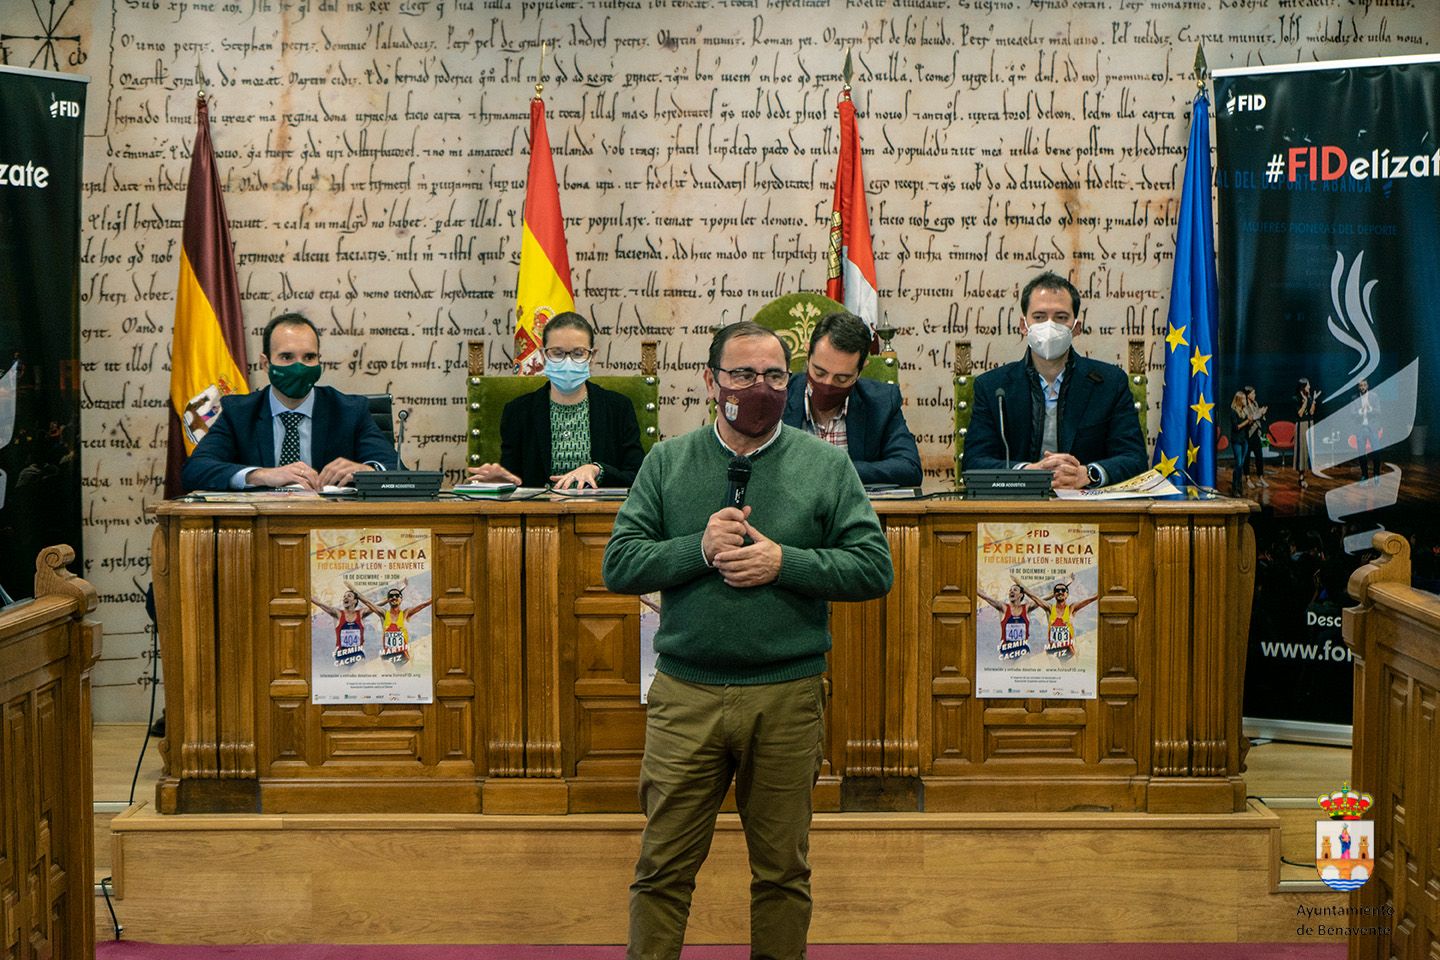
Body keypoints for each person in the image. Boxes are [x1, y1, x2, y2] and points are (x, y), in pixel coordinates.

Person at [602, 321, 894, 960]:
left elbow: (875, 569)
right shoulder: (667, 462)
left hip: (786, 698)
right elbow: (619, 565)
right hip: (686, 695)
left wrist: (784, 563)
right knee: (662, 871)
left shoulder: (825, 465)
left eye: (773, 376)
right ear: (711, 381)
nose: (758, 388)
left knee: (783, 873)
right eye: (742, 375)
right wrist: (697, 549)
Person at [961, 272, 1148, 490]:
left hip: (1089, 509)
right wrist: (1027, 473)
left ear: (1076, 328)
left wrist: (1087, 474)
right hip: (1015, 509)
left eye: (1061, 317)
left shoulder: (1109, 383)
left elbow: (1134, 459)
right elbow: (974, 463)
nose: (1049, 326)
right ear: (1024, 325)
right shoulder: (993, 387)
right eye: (1039, 317)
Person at [180, 312, 398, 492]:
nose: (299, 367)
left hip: (332, 530)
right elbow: (195, 470)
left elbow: (398, 471)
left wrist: (366, 472)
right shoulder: (239, 413)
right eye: (287, 357)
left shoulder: (349, 411)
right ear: (265, 363)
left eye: (309, 358)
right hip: (261, 529)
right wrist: (261, 475)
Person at [467, 312, 645, 490]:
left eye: (578, 353)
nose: (567, 360)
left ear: (592, 357)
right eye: (557, 353)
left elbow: (638, 476)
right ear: (543, 356)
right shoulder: (518, 411)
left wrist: (598, 470)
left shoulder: (618, 408)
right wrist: (501, 483)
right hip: (539, 514)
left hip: (598, 514)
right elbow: (515, 479)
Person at [781, 311, 922, 486]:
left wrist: (836, 469)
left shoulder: (881, 402)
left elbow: (909, 468)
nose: (827, 384)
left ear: (861, 370)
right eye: (819, 372)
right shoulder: (780, 395)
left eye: (842, 378)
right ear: (808, 352)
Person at [1016, 576, 1098, 661]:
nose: (1060, 592)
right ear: (1054, 594)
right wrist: (1020, 584)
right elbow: (1034, 597)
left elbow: (1091, 599)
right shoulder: (1049, 608)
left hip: (1069, 651)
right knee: (1055, 670)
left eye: (1063, 590)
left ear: (1067, 594)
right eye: (1057, 590)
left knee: (1070, 671)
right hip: (1053, 651)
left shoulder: (1071, 608)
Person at [353, 584, 434, 666]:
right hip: (388, 657)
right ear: (388, 600)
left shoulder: (406, 613)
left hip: (403, 656)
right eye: (391, 596)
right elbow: (368, 603)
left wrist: (437, 595)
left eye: (396, 595)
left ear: (401, 599)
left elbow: (423, 605)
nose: (394, 597)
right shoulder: (384, 613)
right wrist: (354, 590)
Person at [309, 588, 375, 667]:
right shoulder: (338, 614)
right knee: (343, 677)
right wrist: (307, 595)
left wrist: (387, 600)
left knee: (359, 675)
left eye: (349, 596)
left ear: (355, 601)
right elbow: (320, 604)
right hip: (342, 654)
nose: (345, 598)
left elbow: (374, 606)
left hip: (358, 654)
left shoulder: (361, 613)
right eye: (344, 596)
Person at [976, 582, 1038, 660]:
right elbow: (986, 597)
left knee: (1024, 668)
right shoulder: (1003, 607)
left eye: (1015, 590)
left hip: (1023, 650)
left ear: (1021, 594)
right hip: (1007, 650)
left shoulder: (1027, 608)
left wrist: (1054, 594)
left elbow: (1040, 600)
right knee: (1007, 670)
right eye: (1010, 590)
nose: (1011, 591)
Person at [1294, 379, 1321, 489]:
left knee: (1308, 451)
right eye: (1308, 386)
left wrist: (1313, 401)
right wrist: (1305, 401)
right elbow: (1300, 414)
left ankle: (1304, 476)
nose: (1309, 387)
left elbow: (1311, 412)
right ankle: (1301, 478)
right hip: (1302, 425)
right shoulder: (1295, 398)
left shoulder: (1309, 397)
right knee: (1302, 451)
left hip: (1310, 424)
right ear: (1302, 387)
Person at [1227, 390, 1253, 496]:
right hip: (1236, 441)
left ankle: (1238, 485)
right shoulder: (1233, 411)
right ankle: (1235, 486)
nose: (1245, 401)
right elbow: (1236, 427)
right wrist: (1247, 421)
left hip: (1244, 440)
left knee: (1241, 464)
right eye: (1243, 399)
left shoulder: (1245, 411)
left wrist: (1251, 421)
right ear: (1238, 400)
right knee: (1238, 463)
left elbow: (1247, 426)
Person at [1355, 379, 1381, 481]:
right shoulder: (1354, 398)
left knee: (1376, 452)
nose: (1362, 387)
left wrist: (1369, 409)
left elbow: (1378, 411)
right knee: (1361, 453)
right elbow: (1351, 414)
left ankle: (1376, 475)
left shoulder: (1374, 397)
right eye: (1361, 386)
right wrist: (1360, 411)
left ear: (1368, 386)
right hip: (1361, 429)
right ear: (1358, 387)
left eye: (1364, 385)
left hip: (1372, 428)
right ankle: (1364, 475)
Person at [1242, 386, 1269, 487]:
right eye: (1253, 393)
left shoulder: (1255, 403)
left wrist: (1262, 413)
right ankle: (1248, 479)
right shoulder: (1244, 406)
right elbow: (1249, 419)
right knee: (1247, 458)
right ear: (1248, 395)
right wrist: (1258, 414)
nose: (1255, 395)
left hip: (1256, 433)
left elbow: (1257, 416)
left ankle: (1260, 478)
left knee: (1259, 457)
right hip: (1248, 434)